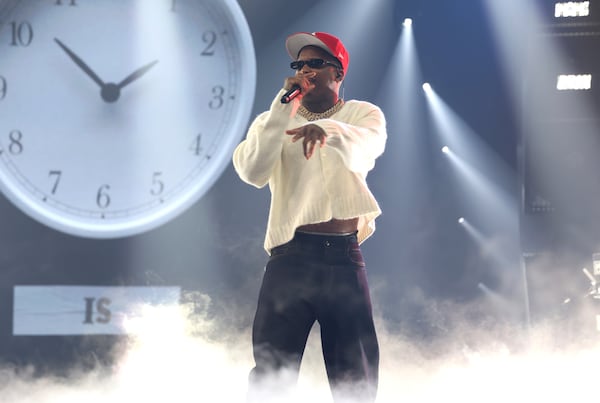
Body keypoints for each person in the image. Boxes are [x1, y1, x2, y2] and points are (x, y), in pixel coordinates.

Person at [232, 31, 387, 402]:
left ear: (338, 72)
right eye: (298, 64)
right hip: (291, 258)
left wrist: (327, 129)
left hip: (343, 258)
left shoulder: (362, 114)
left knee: (357, 375)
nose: (304, 70)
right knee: (271, 372)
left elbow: (366, 147)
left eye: (314, 63)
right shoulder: (272, 120)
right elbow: (252, 171)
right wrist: (280, 111)